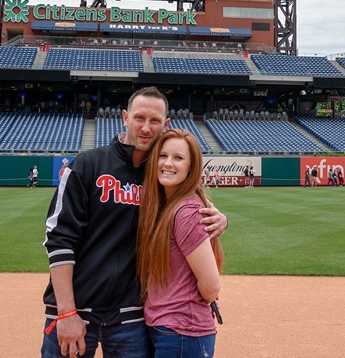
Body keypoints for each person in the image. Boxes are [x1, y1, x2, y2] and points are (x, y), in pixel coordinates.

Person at [41, 87, 227, 358]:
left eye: (155, 121)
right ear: (125, 118)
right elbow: (59, 240)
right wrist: (66, 311)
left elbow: (191, 201)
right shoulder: (88, 165)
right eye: (139, 118)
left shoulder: (161, 176)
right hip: (77, 312)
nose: (146, 128)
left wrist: (222, 218)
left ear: (166, 125)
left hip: (131, 318)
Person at [138, 129, 223, 357]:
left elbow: (212, 286)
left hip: (184, 332)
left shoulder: (186, 211)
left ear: (191, 168)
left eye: (178, 158)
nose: (168, 163)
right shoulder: (165, 205)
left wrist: (185, 304)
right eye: (163, 156)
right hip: (167, 329)